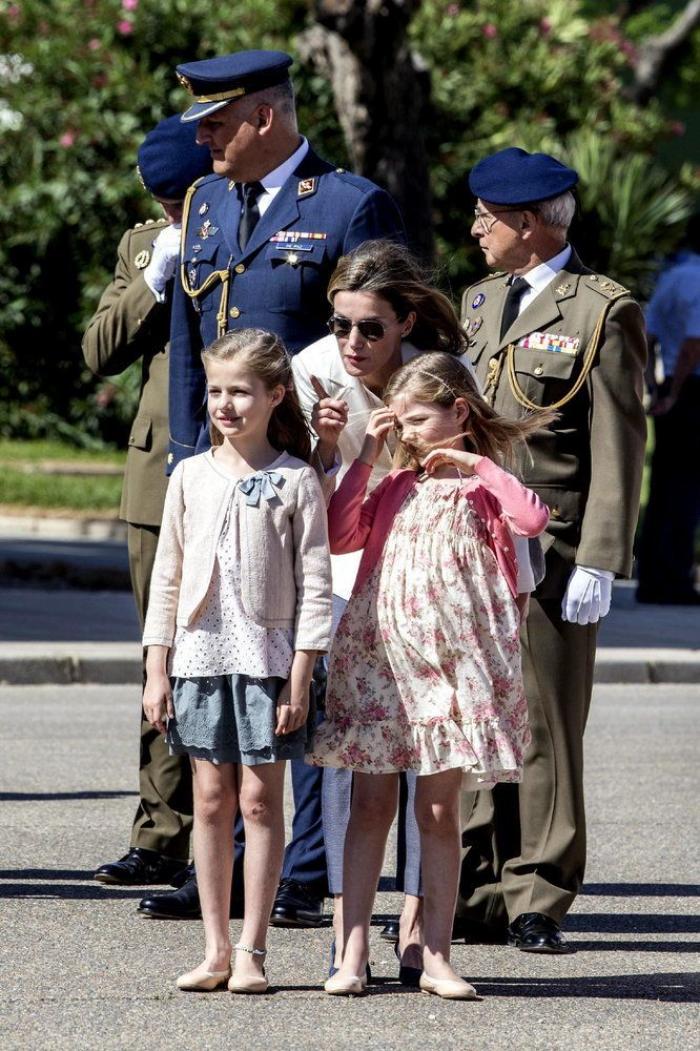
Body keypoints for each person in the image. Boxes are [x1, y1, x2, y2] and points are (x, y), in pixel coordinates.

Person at [153, 47, 406, 927]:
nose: (206, 141)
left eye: (217, 123)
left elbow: (380, 348)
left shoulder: (347, 205)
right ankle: (219, 866)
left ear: (265, 118)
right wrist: (191, 462)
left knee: (301, 667)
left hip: (319, 477)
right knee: (221, 655)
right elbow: (196, 343)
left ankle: (304, 868)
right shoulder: (207, 201)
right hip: (222, 471)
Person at [307, 352, 550, 998]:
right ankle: (351, 947)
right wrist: (368, 454)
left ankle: (436, 952)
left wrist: (475, 463)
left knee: (438, 807)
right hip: (383, 658)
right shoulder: (393, 486)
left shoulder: (483, 487)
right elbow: (338, 533)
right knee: (371, 802)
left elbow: (531, 518)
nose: (408, 431)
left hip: (454, 668)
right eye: (401, 419)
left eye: (418, 419)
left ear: (459, 411)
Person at [457, 147, 647, 953]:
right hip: (469, 544)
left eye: (486, 217)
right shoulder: (476, 301)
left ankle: (540, 888)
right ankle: (477, 884)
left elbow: (620, 440)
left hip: (554, 548)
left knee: (542, 723)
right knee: (475, 717)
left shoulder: (600, 310)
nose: (473, 228)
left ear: (528, 225)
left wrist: (601, 556)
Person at [292, 237, 491, 982]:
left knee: (435, 789)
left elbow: (492, 487)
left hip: (436, 599)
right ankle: (350, 943)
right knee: (359, 785)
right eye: (342, 323)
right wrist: (325, 443)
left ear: (406, 320)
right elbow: (300, 496)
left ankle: (421, 935)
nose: (351, 342)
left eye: (370, 328)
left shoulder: (443, 379)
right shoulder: (312, 371)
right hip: (347, 588)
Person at [142, 328, 331, 993]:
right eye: (216, 390)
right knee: (211, 797)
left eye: (240, 391)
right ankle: (214, 946)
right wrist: (156, 665)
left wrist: (301, 677)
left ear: (276, 394)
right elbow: (167, 574)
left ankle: (253, 948)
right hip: (197, 655)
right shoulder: (190, 474)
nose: (225, 404)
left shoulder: (296, 479)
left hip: (267, 658)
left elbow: (315, 587)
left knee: (259, 796)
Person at [82, 116, 211, 889]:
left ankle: (232, 841)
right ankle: (160, 832)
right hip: (154, 476)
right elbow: (100, 348)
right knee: (159, 658)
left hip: (235, 464)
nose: (173, 217)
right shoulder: (143, 245)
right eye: (162, 205)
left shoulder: (248, 230)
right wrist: (153, 278)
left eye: (181, 203)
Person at [636, 215, 700, 605]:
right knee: (686, 488)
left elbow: (648, 335)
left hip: (673, 386)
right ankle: (675, 579)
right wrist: (675, 391)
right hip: (690, 386)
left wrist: (651, 385)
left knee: (664, 485)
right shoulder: (696, 279)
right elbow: (694, 343)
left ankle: (653, 577)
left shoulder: (673, 276)